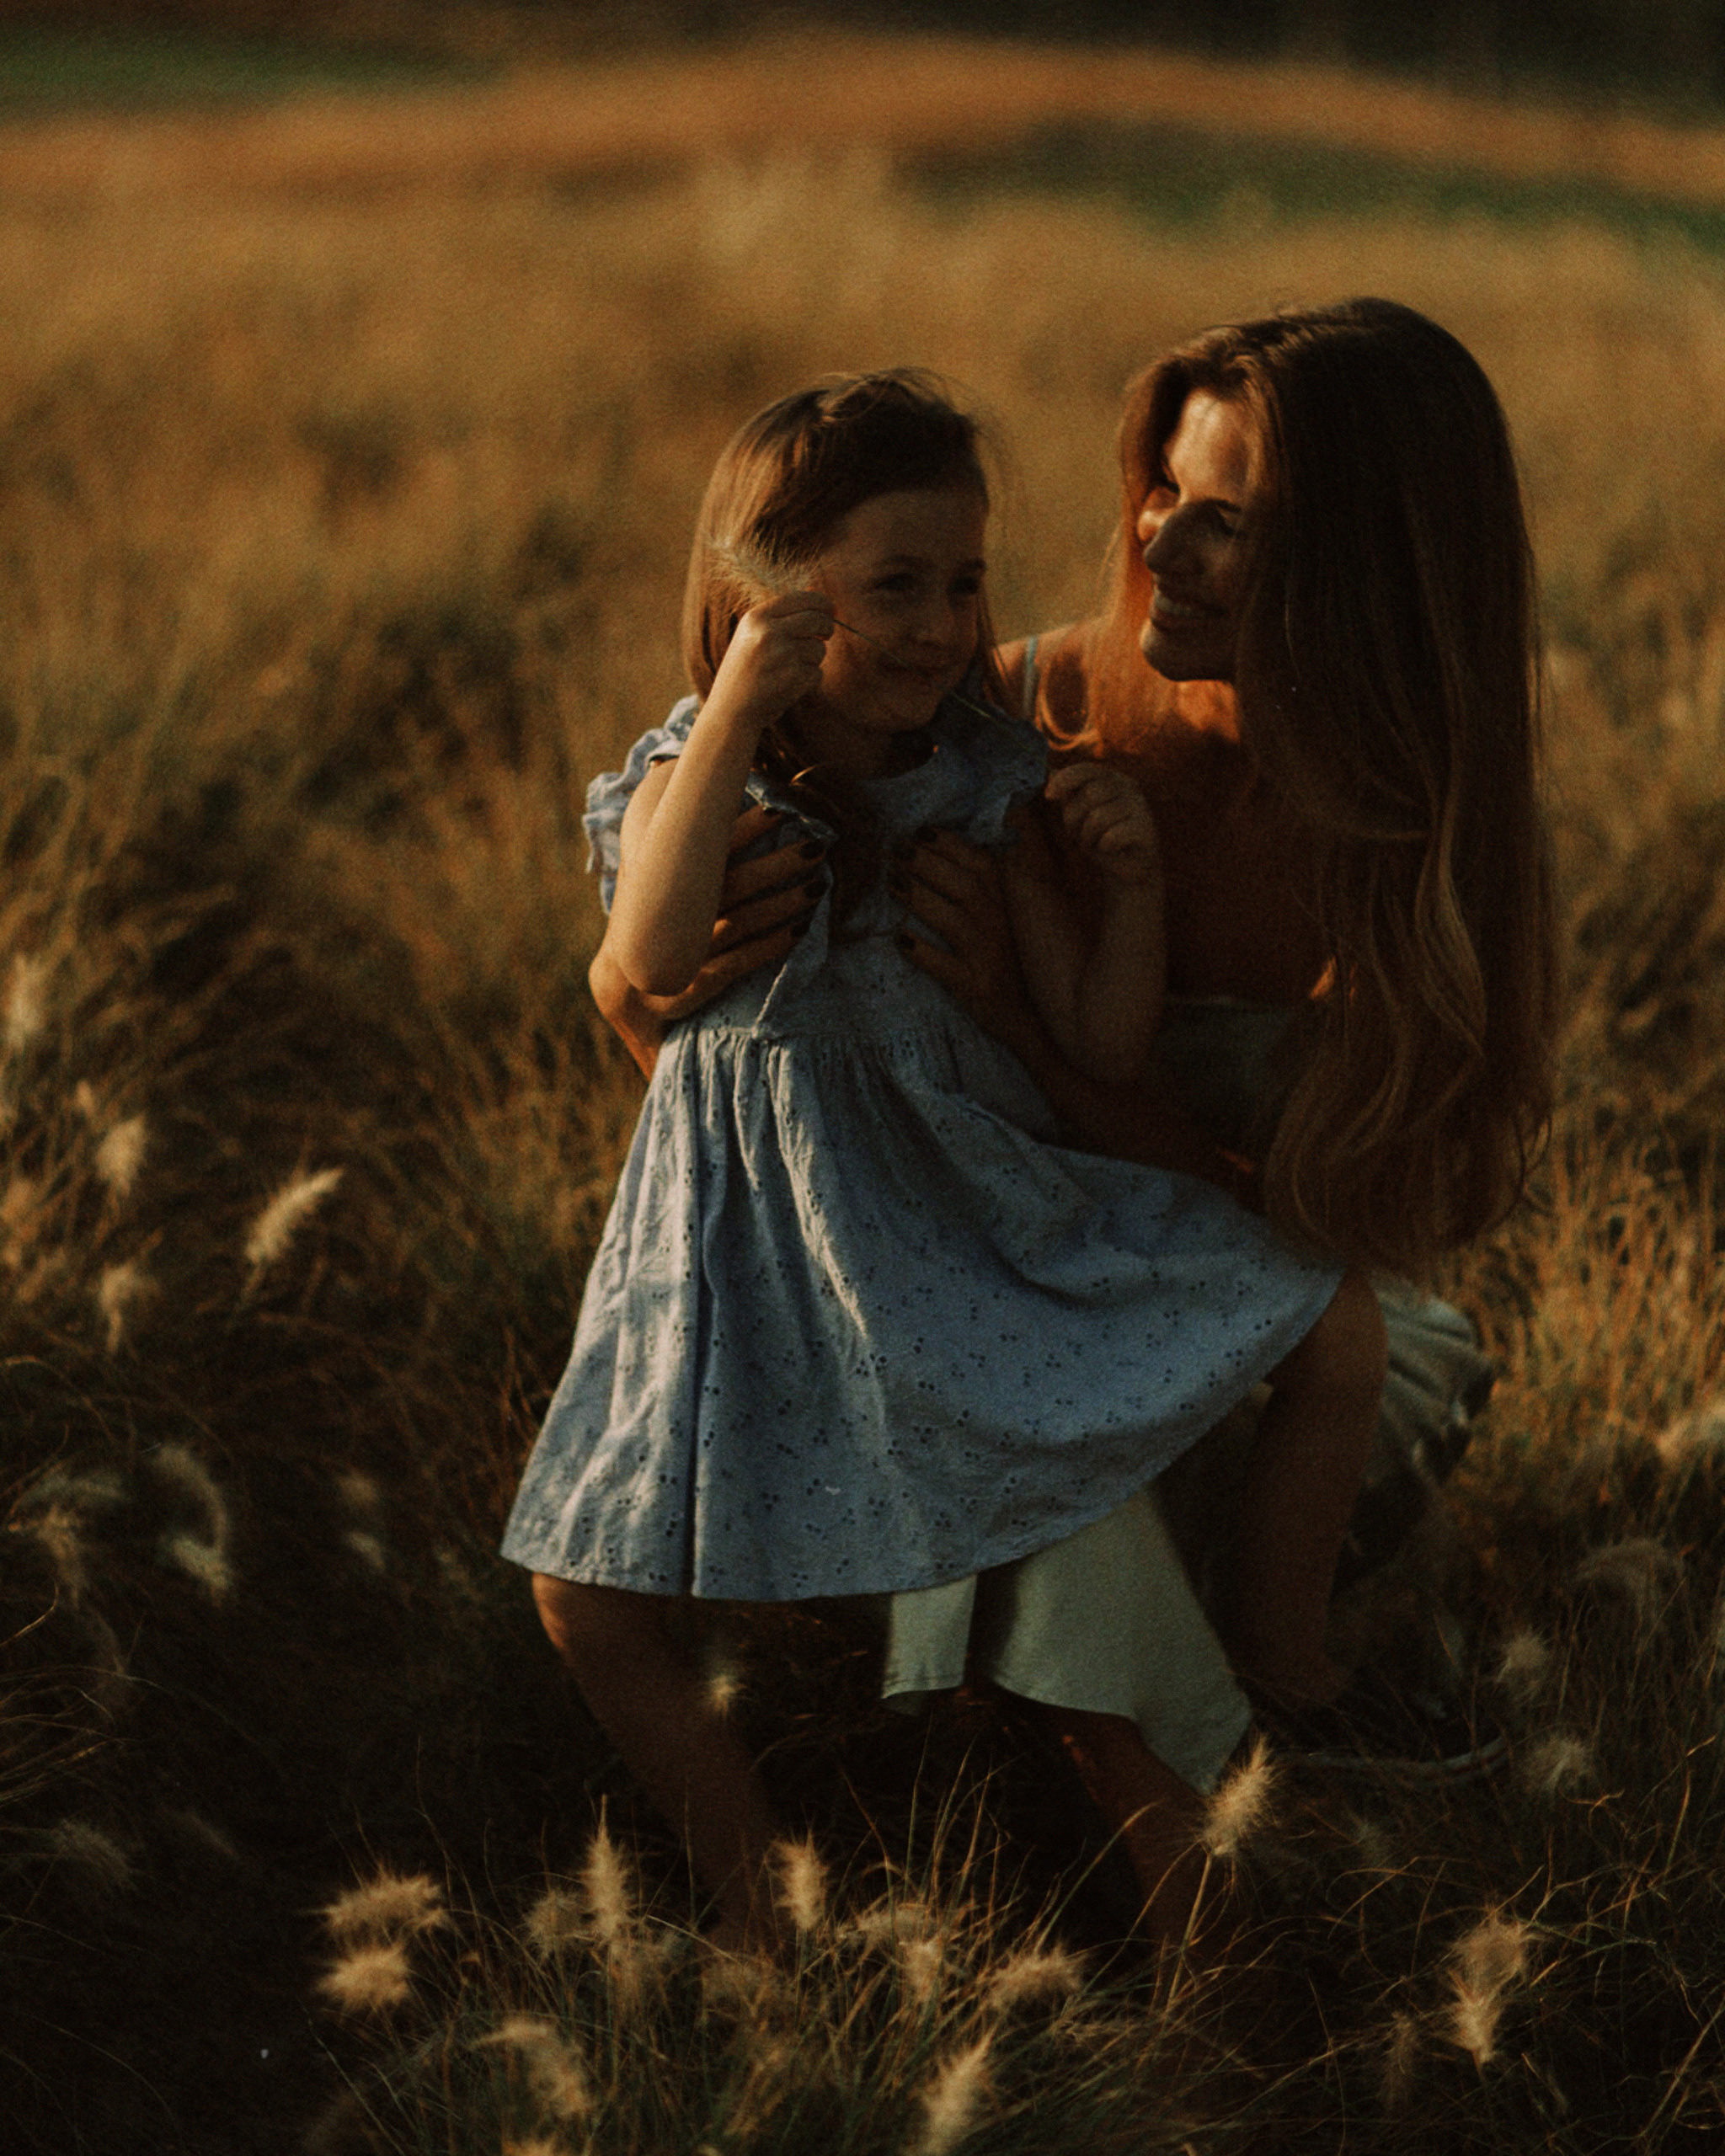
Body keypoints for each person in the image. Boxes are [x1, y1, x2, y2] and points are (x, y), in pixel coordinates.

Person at [590, 305, 1557, 1943]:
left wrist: (1038, 1038)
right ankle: (1215, 1852)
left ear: (1367, 564)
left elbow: (1346, 1226)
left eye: (1226, 516)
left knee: (1328, 1370)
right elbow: (718, 1044)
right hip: (982, 1269)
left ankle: (1243, 1714)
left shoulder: (1423, 855)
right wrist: (632, 973)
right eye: (1158, 490)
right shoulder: (1011, 713)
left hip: (1227, 1302)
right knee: (1048, 1476)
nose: (1154, 539)